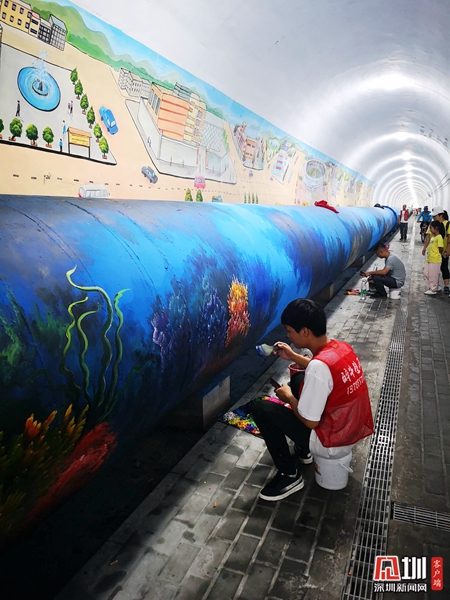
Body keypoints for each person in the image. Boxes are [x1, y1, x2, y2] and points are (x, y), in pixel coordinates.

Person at [252, 299, 374, 502]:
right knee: (298, 379)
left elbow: (310, 422)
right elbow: (322, 368)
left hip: (330, 441)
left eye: (289, 331)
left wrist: (288, 397)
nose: (288, 336)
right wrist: (293, 356)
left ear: (305, 332)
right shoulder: (341, 347)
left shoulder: (318, 368)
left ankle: (289, 475)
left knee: (262, 408)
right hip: (349, 429)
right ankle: (303, 450)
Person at [422, 206, 450, 294]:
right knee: (433, 271)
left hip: (443, 251)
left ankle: (446, 286)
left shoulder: (447, 224)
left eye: (435, 216)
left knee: (444, 268)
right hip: (433, 253)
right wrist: (425, 247)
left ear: (441, 215)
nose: (433, 218)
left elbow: (449, 238)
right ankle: (435, 286)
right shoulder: (433, 224)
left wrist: (448, 249)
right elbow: (428, 236)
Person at [423, 220, 445, 295]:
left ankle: (433, 289)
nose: (430, 230)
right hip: (430, 259)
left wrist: (437, 254)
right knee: (426, 273)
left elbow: (441, 248)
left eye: (431, 228)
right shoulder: (433, 237)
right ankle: (436, 286)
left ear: (436, 228)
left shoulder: (439, 237)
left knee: (433, 275)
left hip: (435, 260)